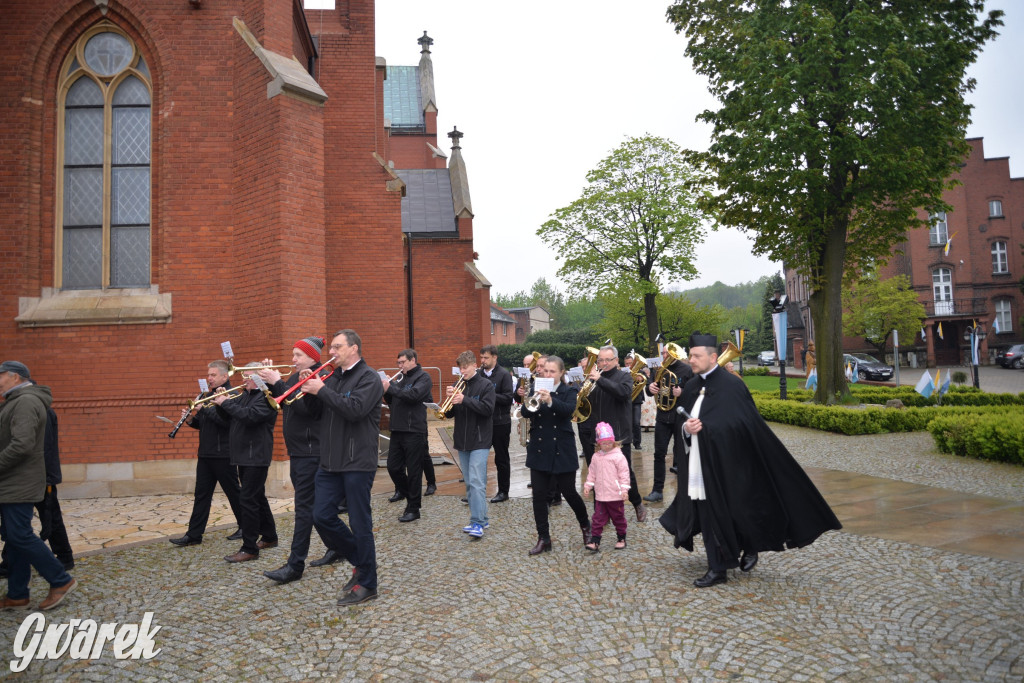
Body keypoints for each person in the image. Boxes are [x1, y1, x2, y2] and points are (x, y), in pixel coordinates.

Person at [660, 333, 843, 588]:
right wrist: (686, 429)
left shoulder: (732, 386)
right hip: (700, 465)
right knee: (709, 514)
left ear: (713, 357)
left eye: (696, 356)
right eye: (690, 355)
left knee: (739, 510)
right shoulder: (690, 387)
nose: (691, 360)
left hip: (731, 464)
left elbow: (743, 424)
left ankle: (750, 547)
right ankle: (718, 568)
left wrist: (710, 428)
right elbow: (682, 421)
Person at [306, 330, 383, 606]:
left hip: (357, 462)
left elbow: (355, 410)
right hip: (330, 461)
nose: (331, 352)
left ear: (354, 348)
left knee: (361, 523)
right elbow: (316, 415)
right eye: (332, 348)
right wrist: (310, 392)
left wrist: (322, 390)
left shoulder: (369, 378)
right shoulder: (333, 377)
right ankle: (361, 562)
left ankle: (369, 583)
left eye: (337, 347)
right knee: (321, 515)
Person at [0, 361, 77, 611]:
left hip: (18, 481)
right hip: (14, 479)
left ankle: (60, 579)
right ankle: (18, 593)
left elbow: (22, 445)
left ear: (15, 377)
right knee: (14, 536)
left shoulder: (25, 401)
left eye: (1, 375)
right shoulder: (18, 399)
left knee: (19, 534)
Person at [259, 336, 333, 584]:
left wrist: (278, 382)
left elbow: (308, 411)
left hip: (311, 453)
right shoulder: (295, 376)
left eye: (298, 355)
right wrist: (267, 381)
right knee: (316, 507)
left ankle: (295, 565)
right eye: (293, 355)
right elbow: (281, 403)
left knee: (304, 509)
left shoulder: (319, 376)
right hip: (299, 450)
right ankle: (339, 547)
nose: (293, 359)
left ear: (313, 357)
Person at [169, 360, 244, 548]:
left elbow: (227, 423)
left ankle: (246, 526)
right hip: (205, 453)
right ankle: (194, 535)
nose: (209, 378)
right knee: (201, 495)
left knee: (234, 493)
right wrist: (191, 419)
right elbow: (204, 424)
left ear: (225, 376)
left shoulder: (231, 395)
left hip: (223, 454)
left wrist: (205, 409)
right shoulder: (206, 395)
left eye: (213, 375)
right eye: (208, 375)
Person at [523, 356, 591, 555]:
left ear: (561, 373)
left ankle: (586, 526)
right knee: (539, 496)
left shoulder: (569, 390)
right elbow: (526, 413)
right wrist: (529, 397)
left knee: (569, 492)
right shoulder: (535, 387)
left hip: (562, 448)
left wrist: (551, 400)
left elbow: (569, 410)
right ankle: (543, 538)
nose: (548, 374)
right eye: (546, 371)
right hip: (540, 448)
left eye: (553, 371)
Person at [214, 363, 279, 563]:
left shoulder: (266, 398)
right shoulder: (245, 395)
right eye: (244, 376)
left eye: (248, 377)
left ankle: (249, 547)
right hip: (244, 454)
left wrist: (226, 403)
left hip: (256, 455)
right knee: (257, 497)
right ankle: (269, 536)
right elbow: (230, 419)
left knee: (248, 500)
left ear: (260, 379)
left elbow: (250, 417)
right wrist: (221, 403)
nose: (244, 380)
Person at [580, 344, 647, 523]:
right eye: (600, 360)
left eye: (607, 360)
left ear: (616, 361)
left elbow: (623, 393)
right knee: (598, 473)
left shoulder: (624, 376)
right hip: (598, 434)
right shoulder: (594, 378)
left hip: (618, 435)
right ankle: (601, 511)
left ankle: (637, 503)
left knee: (624, 472)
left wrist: (599, 379)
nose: (603, 363)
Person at [445, 351, 495, 539]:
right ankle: (483, 517)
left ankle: (478, 523)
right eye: (460, 367)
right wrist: (449, 401)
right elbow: (450, 415)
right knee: (469, 483)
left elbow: (487, 410)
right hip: (462, 440)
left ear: (475, 365)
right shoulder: (459, 385)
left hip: (480, 440)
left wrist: (464, 400)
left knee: (476, 481)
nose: (462, 370)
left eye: (465, 367)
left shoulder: (486, 385)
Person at [383, 348, 433, 522]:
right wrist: (386, 390)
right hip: (397, 429)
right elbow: (393, 401)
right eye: (398, 363)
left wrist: (392, 388)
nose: (400, 365)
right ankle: (407, 493)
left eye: (402, 362)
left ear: (413, 360)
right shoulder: (400, 379)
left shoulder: (423, 378)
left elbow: (413, 396)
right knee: (393, 467)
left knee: (414, 471)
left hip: (414, 430)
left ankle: (413, 508)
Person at [643, 345, 693, 503]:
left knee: (682, 455)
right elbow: (650, 388)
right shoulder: (658, 369)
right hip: (663, 416)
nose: (664, 355)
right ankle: (657, 490)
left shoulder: (686, 370)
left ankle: (686, 492)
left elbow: (695, 392)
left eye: (667, 353)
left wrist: (682, 392)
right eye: (663, 353)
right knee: (659, 454)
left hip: (679, 417)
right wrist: (649, 388)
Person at [583, 422, 631, 552]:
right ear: (599, 444)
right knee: (597, 519)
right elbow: (592, 473)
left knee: (618, 518)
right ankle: (595, 540)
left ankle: (621, 537)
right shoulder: (596, 457)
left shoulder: (618, 457)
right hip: (601, 496)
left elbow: (624, 474)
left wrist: (624, 490)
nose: (607, 445)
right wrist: (588, 485)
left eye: (609, 443)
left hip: (615, 495)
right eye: (604, 443)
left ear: (613, 442)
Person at [480, 345, 514, 503]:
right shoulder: (479, 374)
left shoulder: (504, 374)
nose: (483, 361)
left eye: (486, 358)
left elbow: (508, 398)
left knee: (501, 458)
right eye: (481, 358)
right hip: (481, 422)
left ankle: (503, 491)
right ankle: (477, 491)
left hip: (500, 422)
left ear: (495, 357)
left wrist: (489, 394)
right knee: (478, 458)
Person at [626, 352, 648, 450]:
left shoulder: (640, 372)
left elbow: (647, 380)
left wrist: (641, 379)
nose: (628, 365)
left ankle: (637, 443)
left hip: (637, 400)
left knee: (636, 422)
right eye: (626, 364)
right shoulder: (623, 372)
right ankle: (627, 441)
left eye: (630, 363)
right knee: (627, 422)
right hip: (625, 400)